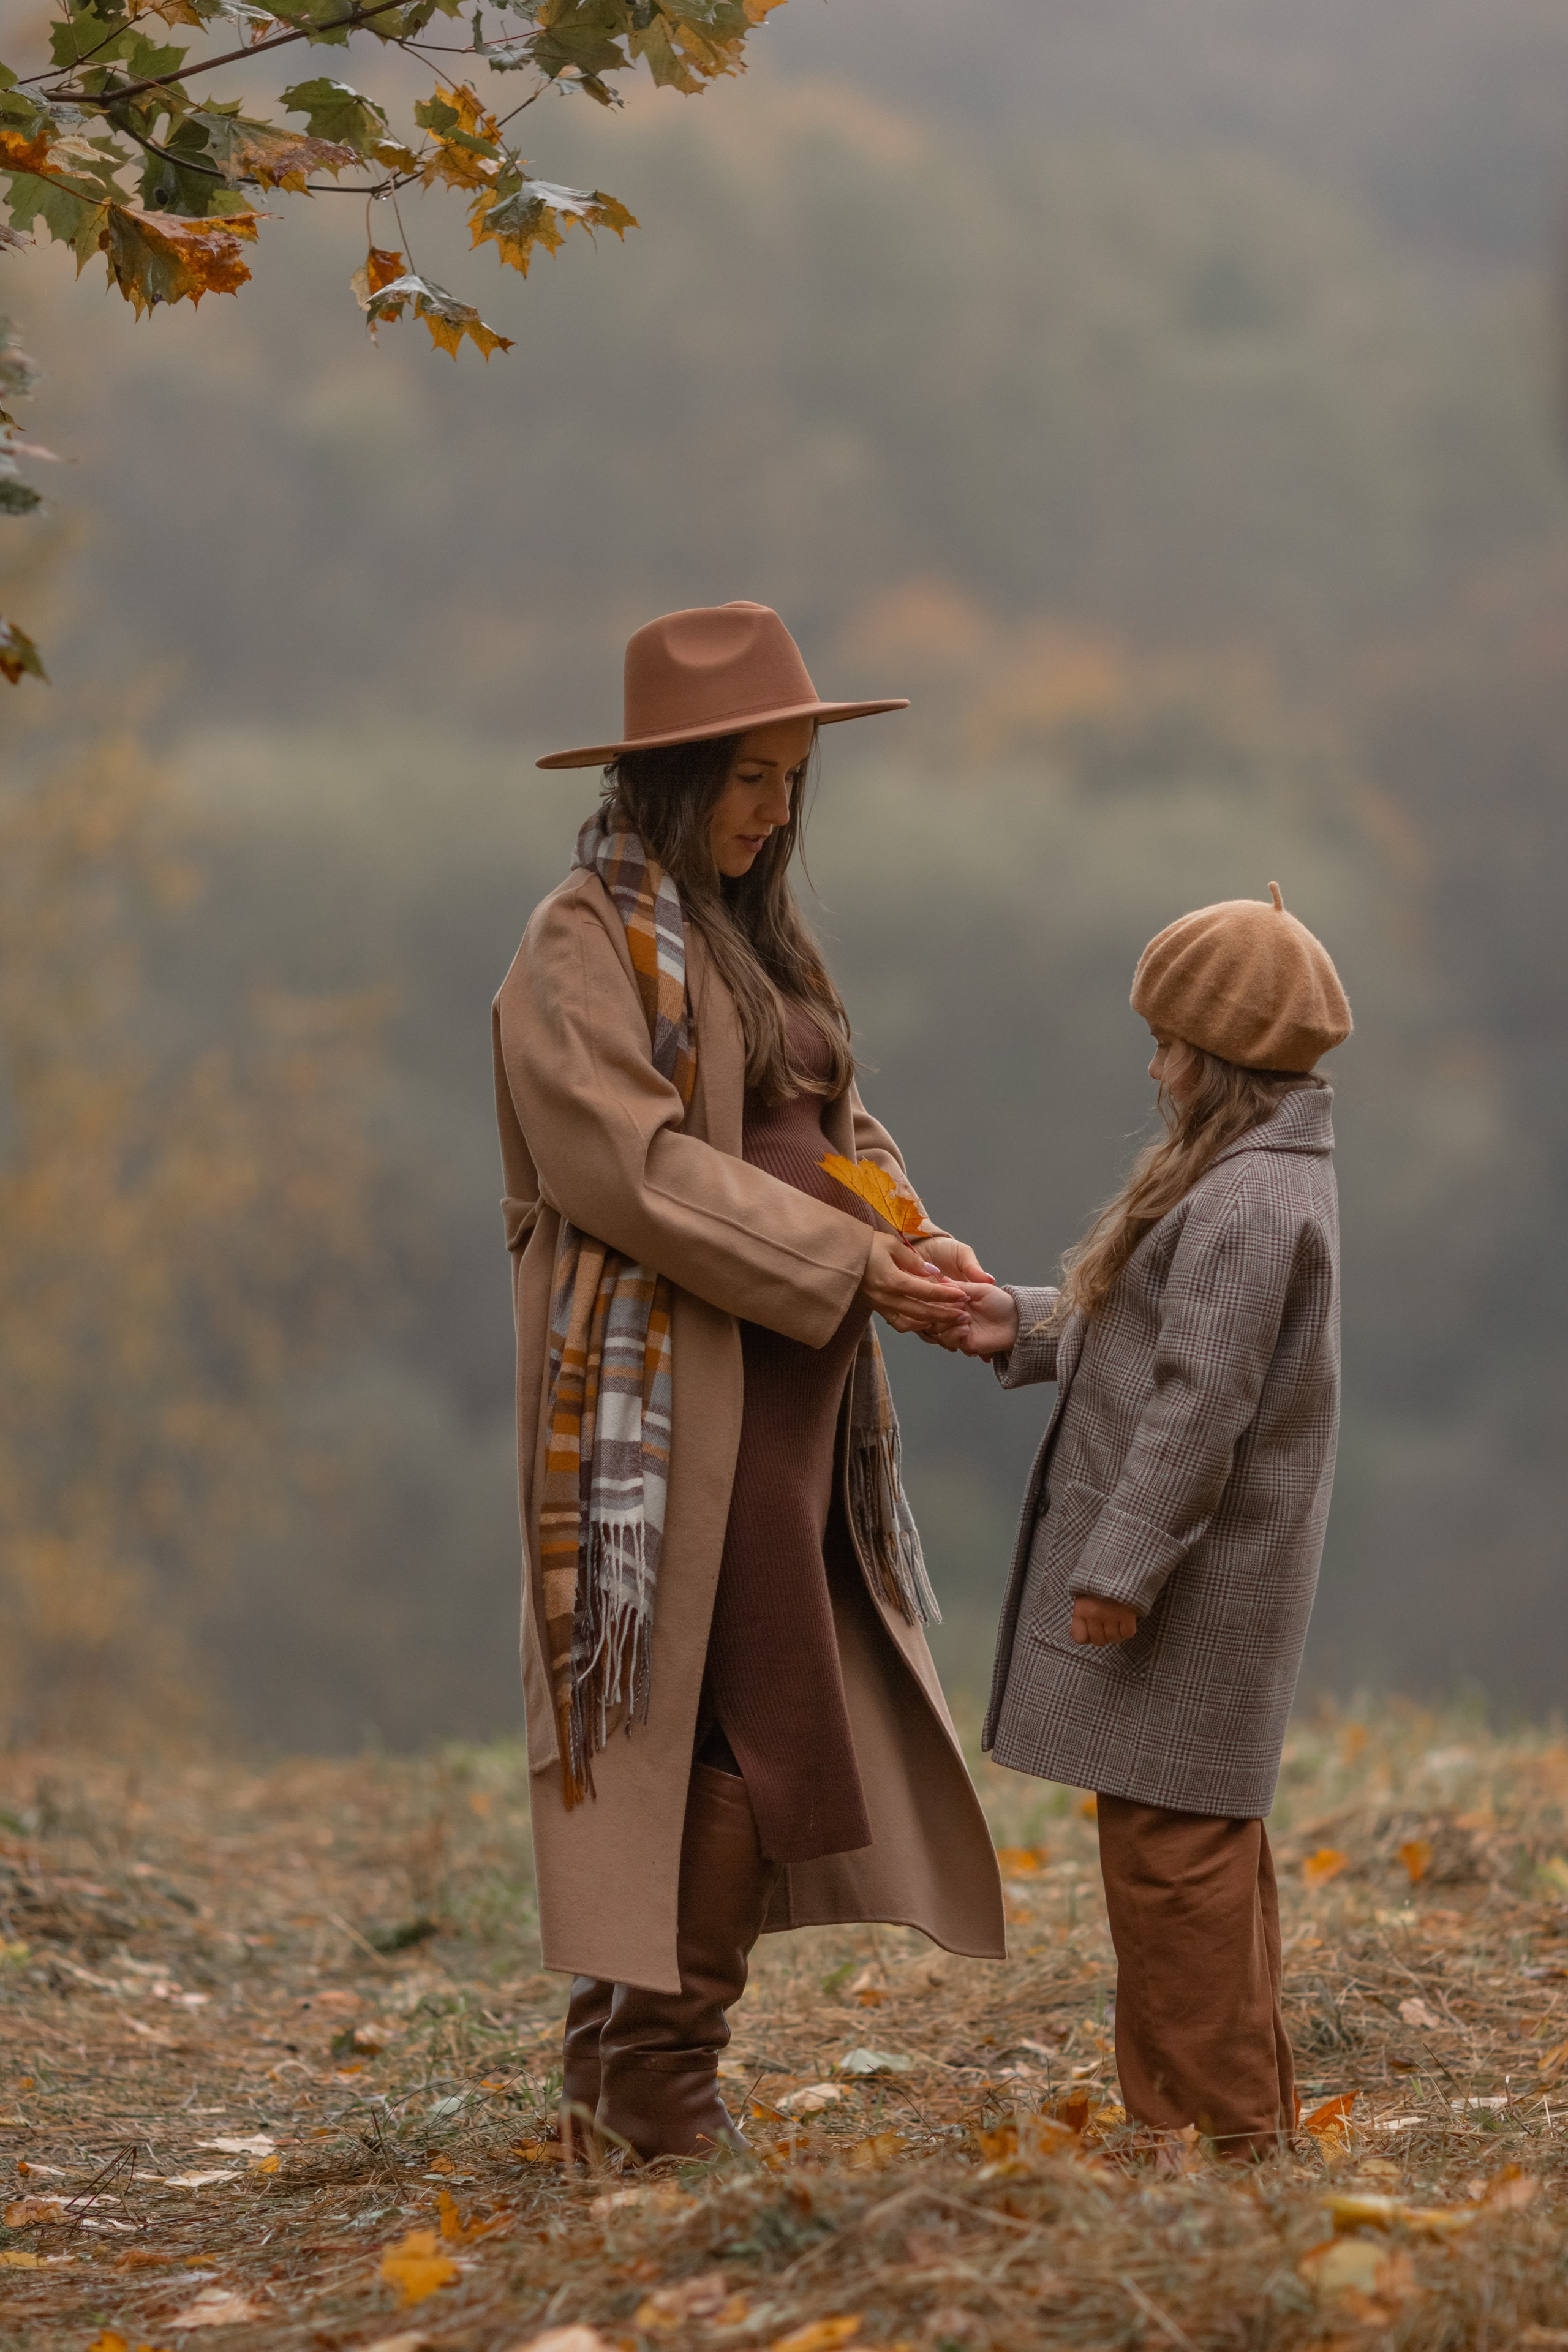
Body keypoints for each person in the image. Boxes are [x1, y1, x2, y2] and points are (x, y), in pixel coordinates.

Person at [492, 600, 1006, 2163]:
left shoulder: (754, 933)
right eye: (749, 777)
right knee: (724, 1723)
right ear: (672, 776)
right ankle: (656, 2091)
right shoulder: (579, 942)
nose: (776, 809)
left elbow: (827, 1122)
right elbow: (630, 1169)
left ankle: (618, 2084)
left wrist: (906, 1235)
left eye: (791, 778)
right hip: (670, 1409)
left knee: (745, 1709)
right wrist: (845, 1262)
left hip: (790, 1408)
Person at [947, 885, 1351, 2158]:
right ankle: (1226, 2129)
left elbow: (1196, 1406)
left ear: (1222, 1058)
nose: (1154, 1065)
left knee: (1174, 1868)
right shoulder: (1250, 1181)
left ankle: (1212, 2145)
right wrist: (1017, 1323)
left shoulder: (1243, 1204)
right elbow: (1154, 1336)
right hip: (1205, 1574)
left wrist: (1119, 1567)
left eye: (1169, 1042)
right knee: (1197, 1847)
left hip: (1195, 1584)